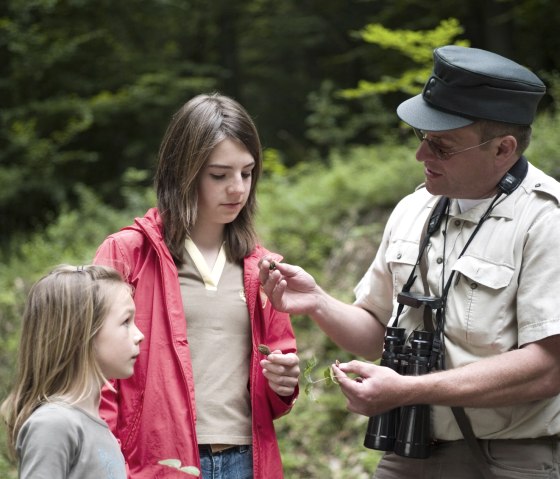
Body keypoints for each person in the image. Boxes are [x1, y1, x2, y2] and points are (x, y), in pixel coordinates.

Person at [259, 45, 560, 478]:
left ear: (503, 149)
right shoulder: (414, 210)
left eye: (442, 146)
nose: (422, 157)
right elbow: (376, 333)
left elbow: (547, 368)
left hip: (511, 459)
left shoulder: (545, 220)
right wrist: (319, 303)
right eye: (423, 140)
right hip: (410, 450)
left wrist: (409, 390)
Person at [93, 93, 300, 479]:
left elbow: (275, 392)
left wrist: (283, 382)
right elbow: (91, 369)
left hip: (247, 460)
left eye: (248, 172)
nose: (237, 189)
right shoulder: (128, 254)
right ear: (183, 172)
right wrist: (107, 461)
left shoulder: (265, 267)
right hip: (155, 463)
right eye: (219, 175)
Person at [0, 264, 143, 479]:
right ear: (82, 335)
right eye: (125, 322)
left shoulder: (99, 429)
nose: (139, 334)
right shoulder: (54, 424)